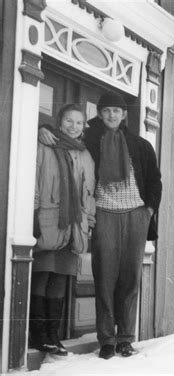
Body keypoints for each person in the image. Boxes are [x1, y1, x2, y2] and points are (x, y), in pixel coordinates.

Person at [39, 92, 162, 360]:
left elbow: (155, 181)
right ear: (100, 113)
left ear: (124, 114)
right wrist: (44, 128)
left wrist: (148, 211)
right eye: (106, 111)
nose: (111, 115)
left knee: (130, 278)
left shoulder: (140, 145)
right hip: (105, 214)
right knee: (105, 277)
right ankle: (107, 339)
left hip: (136, 216)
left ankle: (125, 338)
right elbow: (64, 137)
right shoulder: (91, 140)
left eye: (116, 111)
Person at [32, 104, 96, 356]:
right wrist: (32, 216)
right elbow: (34, 182)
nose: (74, 126)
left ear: (83, 127)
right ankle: (38, 337)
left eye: (79, 122)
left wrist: (89, 220)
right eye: (69, 121)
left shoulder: (86, 155)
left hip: (74, 227)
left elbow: (89, 193)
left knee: (59, 281)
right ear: (60, 123)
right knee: (41, 277)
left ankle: (53, 336)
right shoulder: (44, 146)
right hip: (48, 222)